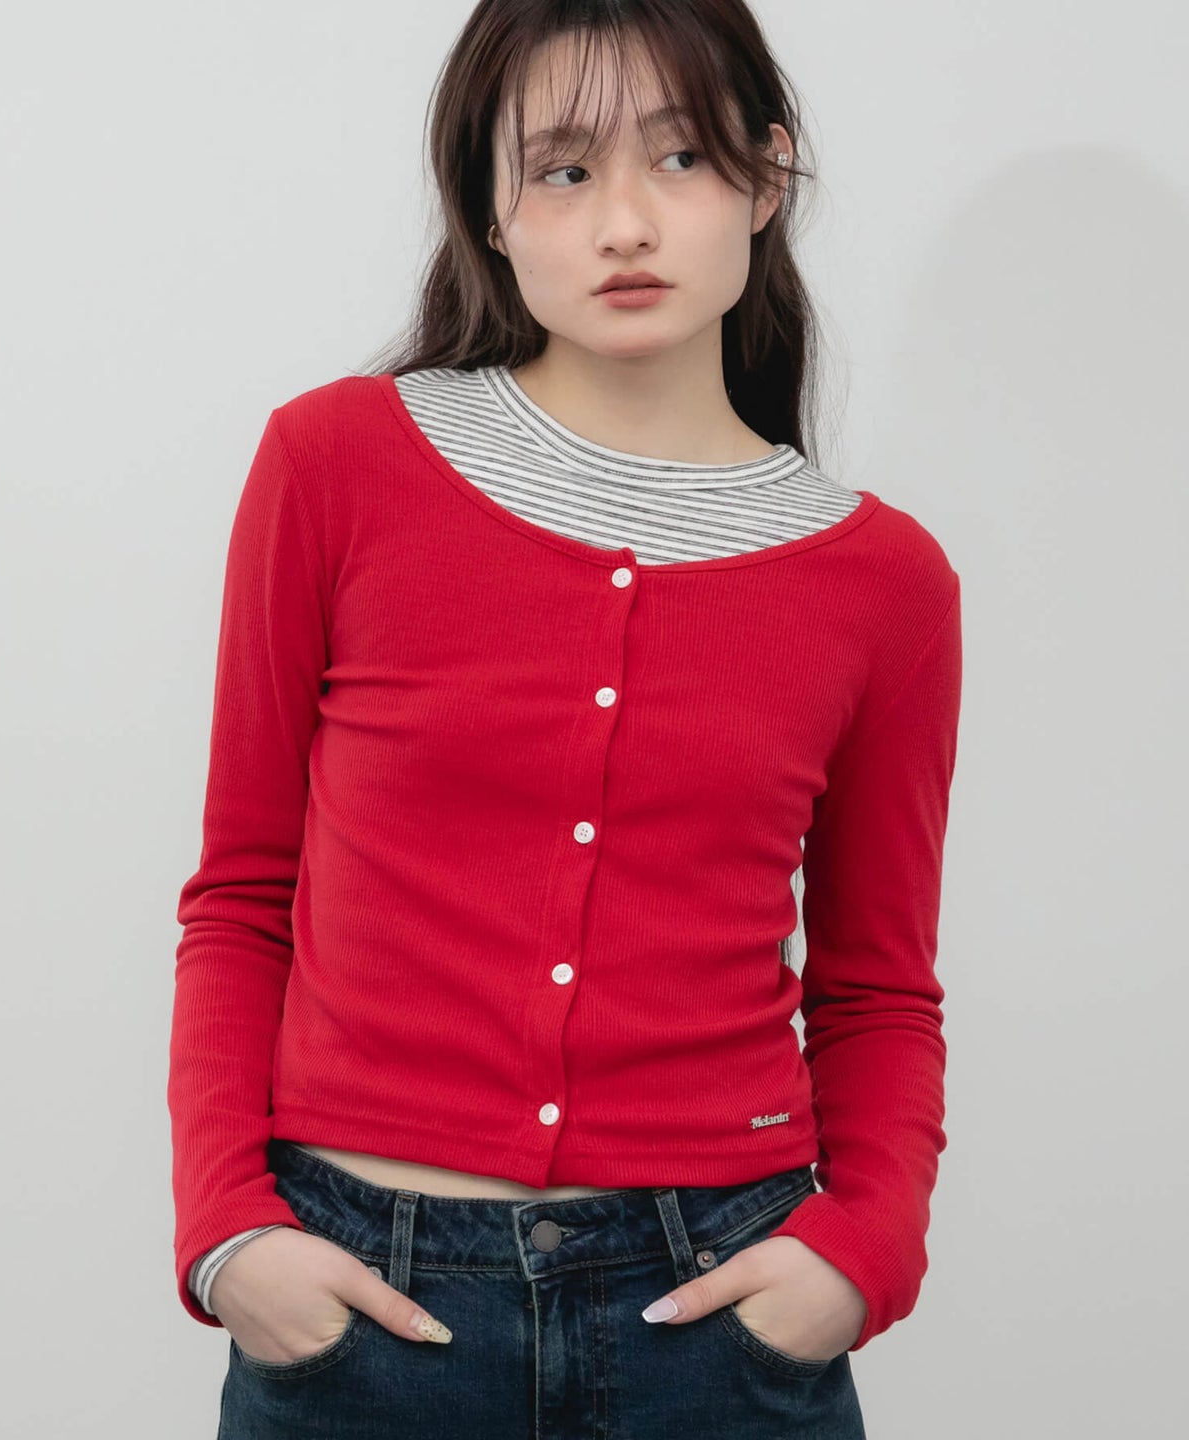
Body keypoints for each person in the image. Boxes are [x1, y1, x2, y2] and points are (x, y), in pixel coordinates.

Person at [167, 2, 963, 1435]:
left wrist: (863, 1256)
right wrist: (231, 1233)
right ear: (491, 208)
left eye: (681, 156)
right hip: (359, 1304)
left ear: (768, 174)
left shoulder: (884, 584)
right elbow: (242, 894)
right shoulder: (337, 467)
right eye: (565, 169)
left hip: (719, 1315)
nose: (625, 224)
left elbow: (877, 991)